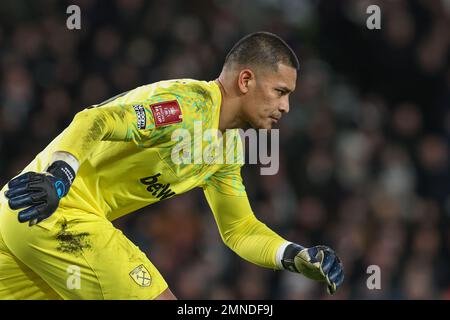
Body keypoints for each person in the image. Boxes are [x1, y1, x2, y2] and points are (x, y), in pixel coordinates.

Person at [0, 32, 344, 300]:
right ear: (246, 81)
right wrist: (59, 178)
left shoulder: (226, 148)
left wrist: (293, 254)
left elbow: (238, 229)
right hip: (54, 208)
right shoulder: (187, 107)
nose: (285, 106)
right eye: (280, 91)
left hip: (16, 215)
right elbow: (95, 120)